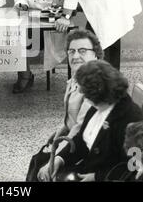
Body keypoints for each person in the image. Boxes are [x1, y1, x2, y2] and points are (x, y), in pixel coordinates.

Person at [39, 60, 142, 182]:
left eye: (85, 93)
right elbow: (80, 140)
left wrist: (97, 177)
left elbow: (133, 166)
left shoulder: (132, 119)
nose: (81, 93)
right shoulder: (96, 107)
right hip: (87, 167)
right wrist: (59, 159)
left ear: (99, 94)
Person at [36, 29, 103, 180]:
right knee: (39, 160)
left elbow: (80, 130)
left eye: (83, 51)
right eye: (71, 51)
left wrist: (57, 157)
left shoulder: (95, 86)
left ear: (96, 54)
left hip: (86, 151)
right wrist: (58, 133)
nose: (75, 56)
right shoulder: (76, 78)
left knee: (44, 170)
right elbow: (70, 119)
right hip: (73, 142)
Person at [13, 0, 63, 93]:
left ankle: (25, 76)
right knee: (16, 36)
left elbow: (49, 3)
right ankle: (25, 75)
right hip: (27, 20)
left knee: (27, 37)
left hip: (47, 25)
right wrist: (22, 3)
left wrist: (28, 3)